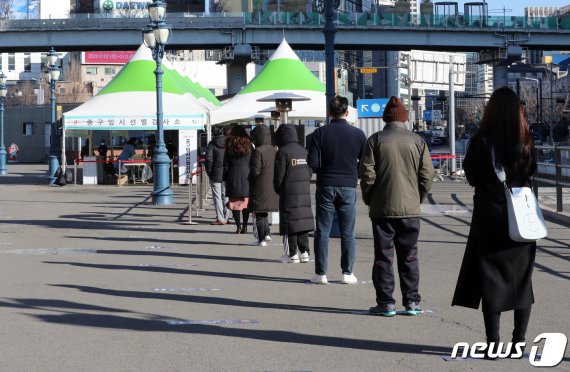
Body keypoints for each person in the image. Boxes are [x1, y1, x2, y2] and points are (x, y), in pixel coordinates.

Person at [452, 87, 537, 356]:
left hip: (489, 216)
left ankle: (493, 343)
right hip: (521, 218)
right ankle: (519, 342)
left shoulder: (481, 140)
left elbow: (471, 174)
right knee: (522, 280)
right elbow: (531, 171)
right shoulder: (525, 139)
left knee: (491, 280)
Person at [359, 96, 434, 317]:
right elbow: (427, 174)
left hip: (382, 209)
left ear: (386, 118)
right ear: (404, 118)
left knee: (383, 256)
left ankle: (386, 303)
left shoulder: (375, 140)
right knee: (409, 255)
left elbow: (367, 174)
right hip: (410, 209)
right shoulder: (418, 141)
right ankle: (411, 301)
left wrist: (370, 198)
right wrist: (417, 196)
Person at [307, 95, 367, 284]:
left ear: (329, 112)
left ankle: (321, 273)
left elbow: (313, 162)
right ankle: (347, 273)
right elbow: (365, 162)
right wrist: (354, 172)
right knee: (347, 230)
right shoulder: (358, 135)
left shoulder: (320, 133)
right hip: (348, 185)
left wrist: (323, 170)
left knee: (322, 229)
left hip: (326, 184)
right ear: (347, 112)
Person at [274, 124, 314, 263]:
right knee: (302, 222)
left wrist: (278, 189)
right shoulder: (304, 151)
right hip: (303, 191)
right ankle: (305, 252)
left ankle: (292, 254)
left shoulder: (282, 152)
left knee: (289, 223)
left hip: (288, 192)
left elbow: (279, 176)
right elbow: (309, 172)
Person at [249, 125, 279, 246]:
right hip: (272, 186)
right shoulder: (274, 150)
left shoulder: (258, 151)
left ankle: (261, 239)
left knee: (259, 212)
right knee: (264, 212)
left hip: (260, 186)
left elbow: (255, 171)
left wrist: (249, 177)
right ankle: (267, 233)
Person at [224, 125, 253, 234]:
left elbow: (225, 163)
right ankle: (245, 226)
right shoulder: (249, 145)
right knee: (245, 202)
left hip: (233, 174)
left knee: (235, 202)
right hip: (246, 174)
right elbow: (252, 161)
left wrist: (225, 177)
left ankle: (238, 227)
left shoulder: (229, 145)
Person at [206, 126, 230, 225]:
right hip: (227, 172)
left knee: (217, 196)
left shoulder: (211, 144)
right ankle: (226, 216)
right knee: (226, 195)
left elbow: (209, 159)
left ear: (213, 133)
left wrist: (209, 171)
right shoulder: (228, 143)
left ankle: (220, 218)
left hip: (215, 173)